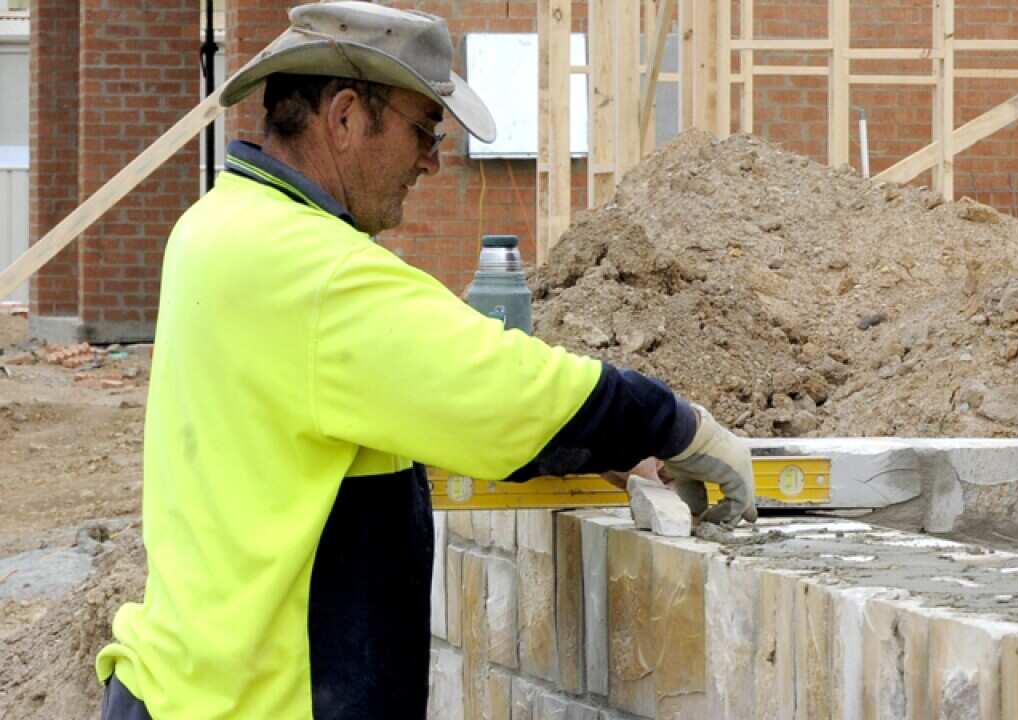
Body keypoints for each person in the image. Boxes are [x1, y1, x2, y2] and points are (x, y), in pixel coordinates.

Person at [94, 3, 756, 719]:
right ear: (344, 116)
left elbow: (364, 415)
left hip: (182, 684)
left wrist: (575, 451)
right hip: (260, 703)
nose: (432, 159)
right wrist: (674, 425)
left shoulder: (217, 225)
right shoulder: (315, 272)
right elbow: (503, 389)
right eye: (422, 129)